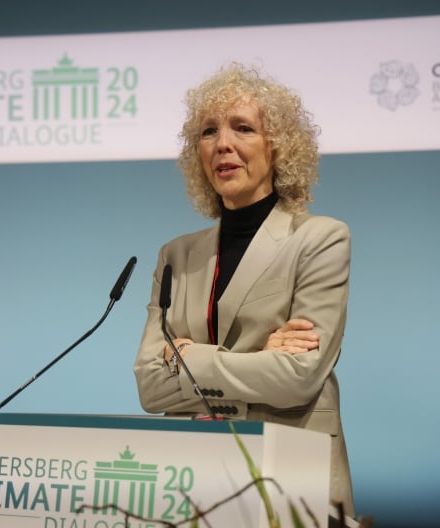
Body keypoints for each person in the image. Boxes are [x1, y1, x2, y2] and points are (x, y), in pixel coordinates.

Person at [133, 64, 354, 515]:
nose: (222, 144)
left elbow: (298, 378)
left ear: (278, 146)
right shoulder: (175, 254)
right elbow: (150, 388)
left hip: (293, 476)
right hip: (198, 480)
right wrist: (259, 360)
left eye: (243, 128)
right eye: (208, 131)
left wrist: (189, 358)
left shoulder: (321, 239)